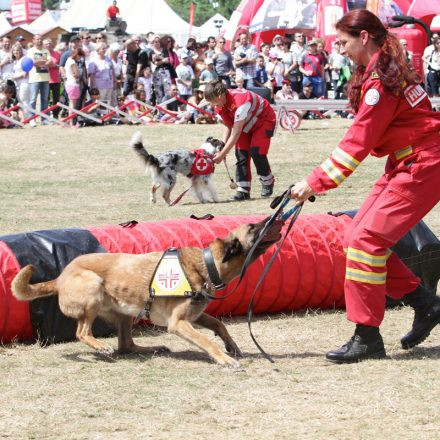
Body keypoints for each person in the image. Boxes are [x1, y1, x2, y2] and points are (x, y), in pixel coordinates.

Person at [289, 9, 440, 364]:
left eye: (343, 42)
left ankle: (366, 336)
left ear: (364, 37)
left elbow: (356, 144)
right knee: (354, 236)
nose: (338, 49)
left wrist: (313, 183)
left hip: (423, 165)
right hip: (408, 162)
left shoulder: (380, 85)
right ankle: (425, 304)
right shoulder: (386, 72)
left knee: (365, 241)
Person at [205, 78, 276, 200]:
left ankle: (267, 180)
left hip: (264, 120)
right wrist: (222, 144)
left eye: (214, 101)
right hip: (245, 124)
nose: (213, 105)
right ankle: (243, 190)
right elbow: (228, 125)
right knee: (241, 153)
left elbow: (236, 133)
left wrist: (222, 154)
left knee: (256, 151)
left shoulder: (240, 100)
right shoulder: (220, 105)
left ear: (221, 95)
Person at [27, 34, 51, 124]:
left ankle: (44, 119)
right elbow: (33, 62)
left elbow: (50, 62)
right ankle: (31, 119)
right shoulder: (31, 51)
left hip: (45, 78)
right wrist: (43, 61)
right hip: (34, 79)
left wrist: (41, 62)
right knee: (33, 99)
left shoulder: (46, 50)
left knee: (44, 99)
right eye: (37, 39)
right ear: (33, 40)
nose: (39, 41)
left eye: (41, 39)